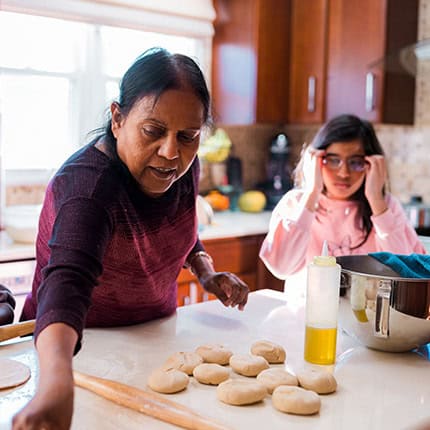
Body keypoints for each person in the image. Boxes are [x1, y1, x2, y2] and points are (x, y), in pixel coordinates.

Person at [6, 47, 249, 430]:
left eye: (188, 136)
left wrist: (205, 273)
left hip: (154, 340)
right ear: (118, 119)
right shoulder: (89, 187)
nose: (171, 153)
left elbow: (180, 233)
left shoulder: (183, 167)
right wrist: (55, 385)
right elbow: (66, 282)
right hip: (76, 354)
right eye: (153, 131)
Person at [259, 114, 426, 281]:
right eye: (333, 160)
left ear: (371, 164)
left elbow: (409, 275)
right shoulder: (295, 203)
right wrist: (312, 194)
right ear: (315, 160)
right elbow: (280, 268)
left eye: (355, 162)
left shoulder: (387, 206)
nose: (344, 173)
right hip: (306, 307)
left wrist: (377, 201)